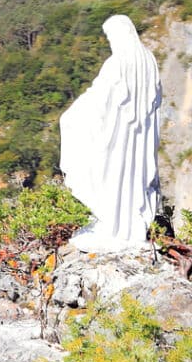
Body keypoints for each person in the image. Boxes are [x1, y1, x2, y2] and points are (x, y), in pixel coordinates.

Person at [58, 14, 162, 253]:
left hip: (116, 138)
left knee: (110, 175)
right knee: (131, 178)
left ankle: (112, 226)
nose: (110, 41)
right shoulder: (149, 60)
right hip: (138, 138)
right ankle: (127, 226)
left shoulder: (118, 63)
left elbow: (101, 97)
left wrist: (72, 115)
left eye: (110, 36)